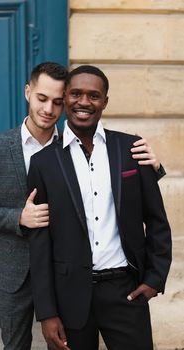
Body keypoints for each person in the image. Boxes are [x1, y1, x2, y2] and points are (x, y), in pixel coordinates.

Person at [0, 61, 163, 350]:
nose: (48, 109)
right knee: (15, 345)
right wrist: (19, 217)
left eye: (58, 102)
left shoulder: (75, 143)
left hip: (69, 272)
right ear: (27, 93)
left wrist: (155, 169)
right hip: (15, 271)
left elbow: (113, 188)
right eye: (42, 99)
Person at [27, 65, 172, 350]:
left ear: (105, 101)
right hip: (68, 297)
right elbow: (39, 243)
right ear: (65, 97)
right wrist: (46, 312)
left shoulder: (131, 149)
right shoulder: (43, 162)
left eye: (94, 95)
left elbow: (157, 220)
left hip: (125, 291)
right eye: (76, 93)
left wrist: (155, 278)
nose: (84, 102)